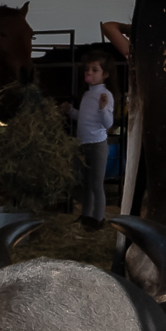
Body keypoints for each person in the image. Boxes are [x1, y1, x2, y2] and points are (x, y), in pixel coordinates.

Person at [65, 51, 114, 230]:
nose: (89, 73)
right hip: (83, 144)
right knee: (86, 184)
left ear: (105, 74)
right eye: (87, 70)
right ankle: (86, 216)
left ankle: (98, 219)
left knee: (96, 184)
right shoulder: (87, 95)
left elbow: (108, 122)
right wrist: (71, 111)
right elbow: (84, 117)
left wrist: (103, 109)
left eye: (95, 70)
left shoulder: (105, 96)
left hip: (97, 145)